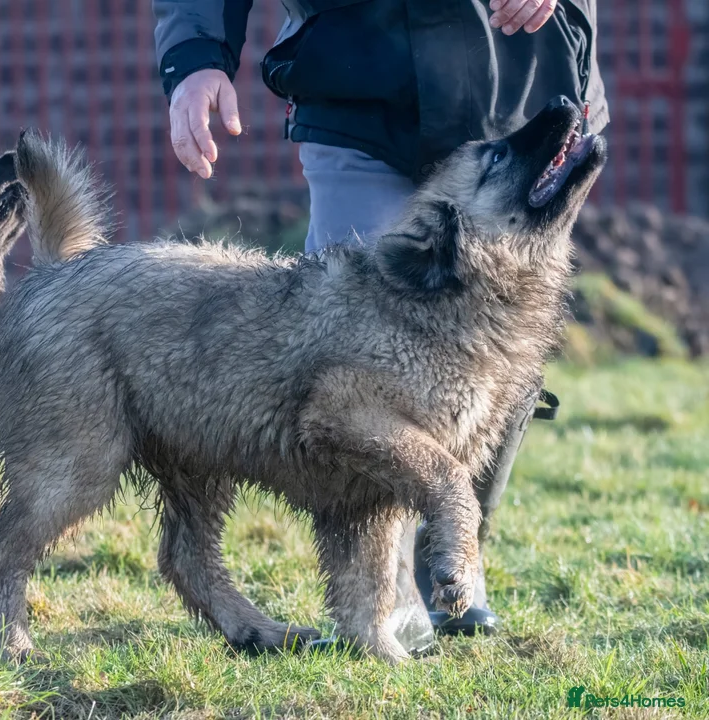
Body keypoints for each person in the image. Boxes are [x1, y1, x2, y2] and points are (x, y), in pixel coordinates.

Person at [153, 0, 608, 652]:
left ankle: (453, 558)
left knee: (497, 342)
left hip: (523, 76)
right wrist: (196, 56)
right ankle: (389, 602)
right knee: (357, 371)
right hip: (360, 81)